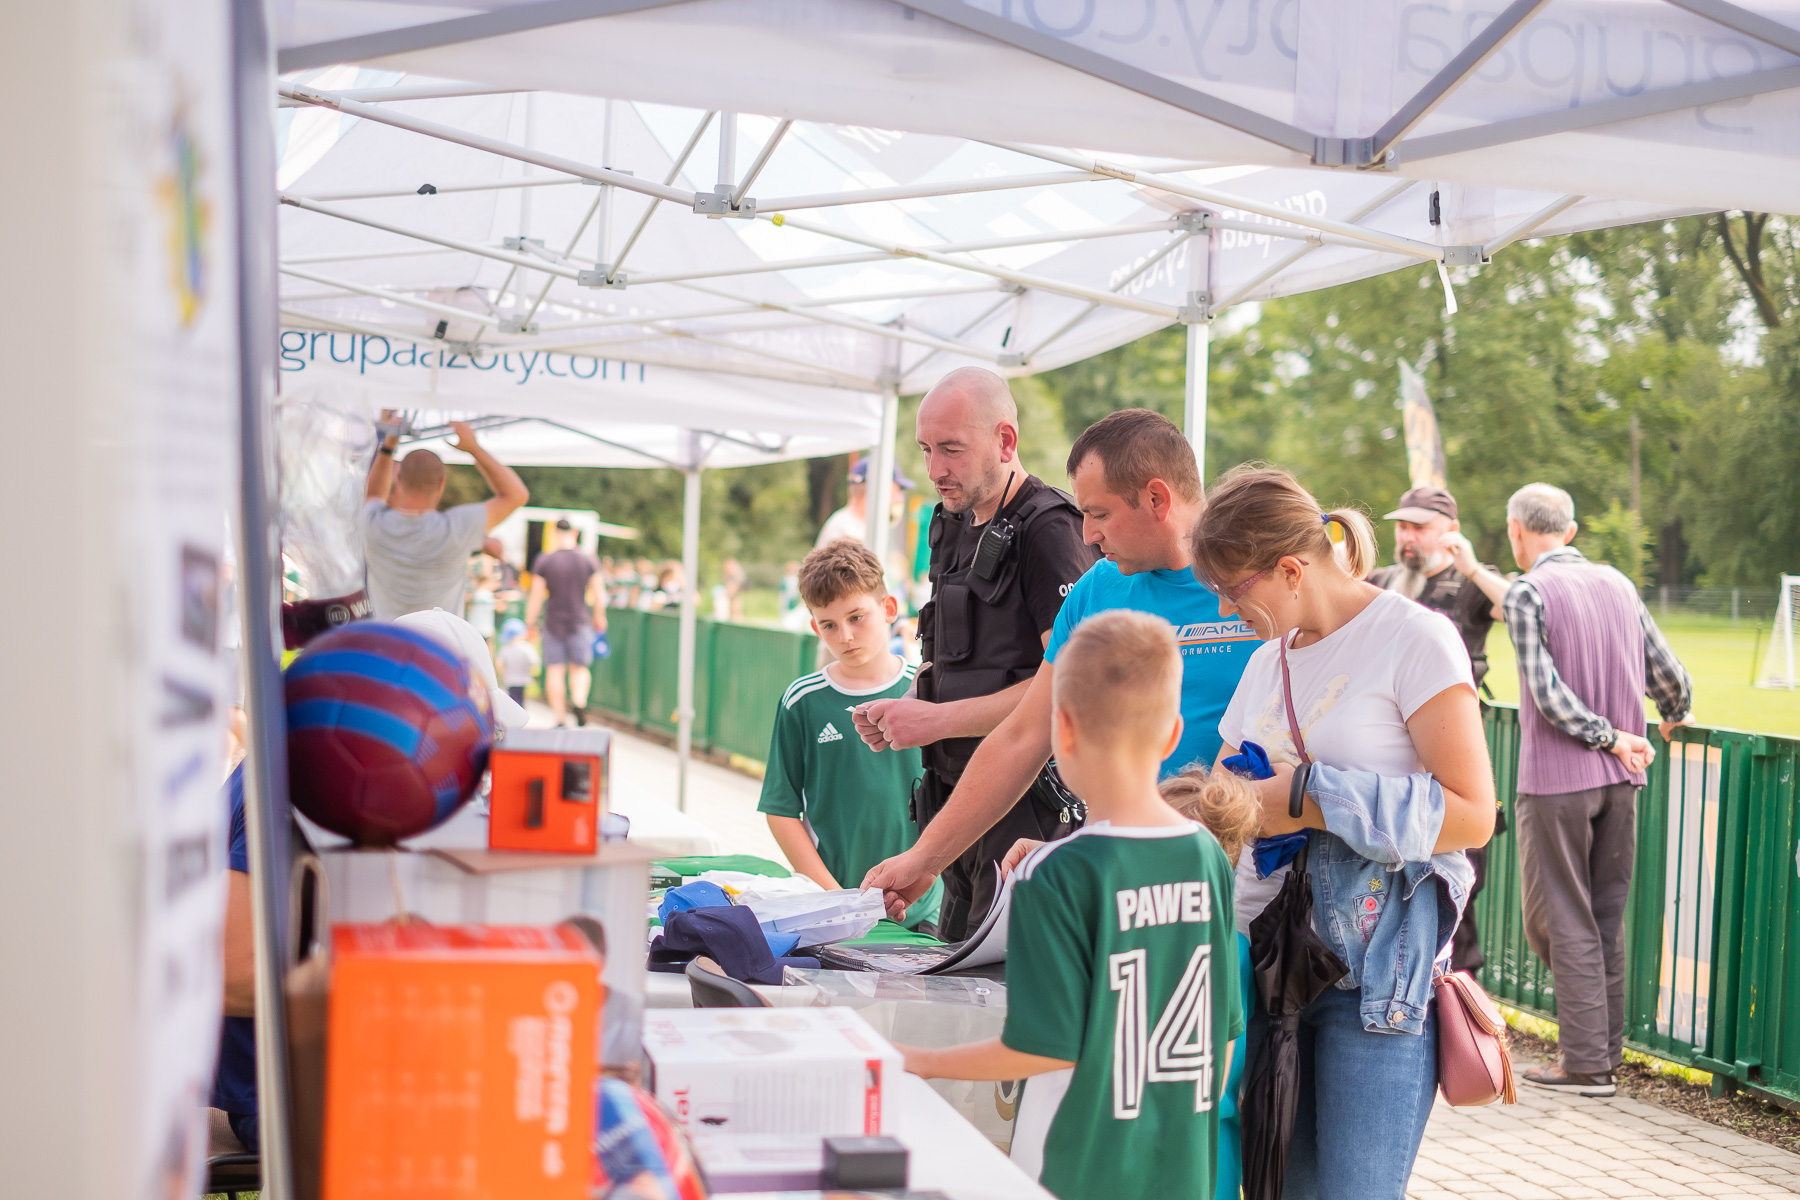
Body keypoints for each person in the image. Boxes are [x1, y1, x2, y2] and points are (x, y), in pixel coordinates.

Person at [1194, 466, 1496, 1200]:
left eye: (1237, 593)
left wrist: (1308, 796)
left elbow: (1470, 812)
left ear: (1291, 570)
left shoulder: (1413, 639)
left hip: (1376, 981)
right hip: (1267, 970)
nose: (1231, 613)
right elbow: (1229, 802)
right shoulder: (1268, 662)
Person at [861, 408, 1257, 934]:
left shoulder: (1257, 586)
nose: (1087, 535)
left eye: (1099, 514)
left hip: (1243, 892)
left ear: (1158, 499)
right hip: (1122, 891)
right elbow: (1024, 735)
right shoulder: (1098, 589)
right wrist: (925, 860)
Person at [895, 611, 1241, 1200]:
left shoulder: (1052, 875)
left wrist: (920, 1060)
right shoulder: (1207, 852)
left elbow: (1036, 1047)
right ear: (1175, 733)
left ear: (1063, 732)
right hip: (1180, 1164)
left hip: (1076, 1167)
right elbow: (1225, 1034)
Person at [1455, 482, 1693, 1095]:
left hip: (1560, 781)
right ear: (1572, 530)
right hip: (1623, 781)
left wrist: (1607, 735)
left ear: (1516, 532)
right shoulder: (1620, 583)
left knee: (1559, 920)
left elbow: (1546, 693)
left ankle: (1586, 1064)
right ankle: (1599, 1056)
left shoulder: (1530, 592)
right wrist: (1672, 711)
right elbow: (1668, 672)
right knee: (1601, 919)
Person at [852, 367, 1097, 940]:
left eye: (952, 450)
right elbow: (951, 655)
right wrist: (910, 702)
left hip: (1026, 817)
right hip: (954, 811)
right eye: (926, 450)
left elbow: (1067, 691)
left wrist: (936, 719)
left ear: (1005, 441)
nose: (935, 469)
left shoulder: (1050, 531)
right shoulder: (949, 521)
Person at [757, 539, 942, 932]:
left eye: (857, 617)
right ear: (815, 627)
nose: (845, 635)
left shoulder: (931, 693)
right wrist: (833, 897)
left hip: (925, 909)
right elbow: (781, 810)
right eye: (829, 624)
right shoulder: (801, 701)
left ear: (888, 609)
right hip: (836, 907)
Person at [1368, 484, 1500, 974]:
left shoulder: (1469, 584)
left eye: (1420, 527)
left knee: (1456, 878)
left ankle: (1462, 1003)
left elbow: (1527, 613)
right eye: (1403, 526)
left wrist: (1471, 568)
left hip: (1451, 753)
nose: (1408, 537)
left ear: (1450, 533)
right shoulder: (1382, 580)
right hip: (1388, 751)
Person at [361, 417, 529, 621]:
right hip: (440, 648)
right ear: (442, 484)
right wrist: (473, 448)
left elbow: (373, 494)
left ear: (398, 479)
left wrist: (388, 447)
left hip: (387, 645)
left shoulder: (375, 524)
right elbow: (517, 495)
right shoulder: (456, 529)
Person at [526, 518, 607, 728]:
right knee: (580, 668)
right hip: (580, 621)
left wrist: (530, 622)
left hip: (553, 622)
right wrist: (600, 616)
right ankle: (579, 701)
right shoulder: (588, 559)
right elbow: (600, 593)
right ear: (575, 533)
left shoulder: (545, 560)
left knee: (555, 671)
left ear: (555, 533)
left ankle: (560, 718)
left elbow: (536, 595)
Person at [816, 456, 914, 578]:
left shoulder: (862, 527)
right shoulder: (845, 531)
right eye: (897, 490)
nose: (899, 498)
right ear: (878, 488)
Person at [496, 617, 539, 708]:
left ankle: (514, 717)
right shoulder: (527, 648)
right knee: (522, 700)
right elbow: (534, 662)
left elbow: (499, 663)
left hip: (510, 680)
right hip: (524, 679)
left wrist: (503, 673)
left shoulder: (505, 649)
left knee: (512, 701)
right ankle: (522, 716)